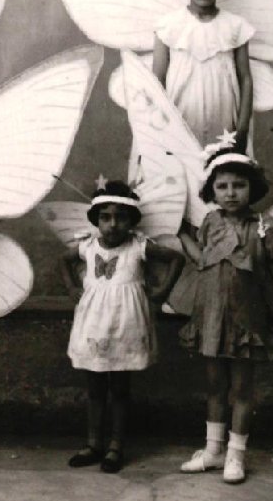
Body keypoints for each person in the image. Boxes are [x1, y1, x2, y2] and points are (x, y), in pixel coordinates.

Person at [174, 147, 273, 484]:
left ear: (253, 188)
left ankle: (236, 454)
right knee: (215, 385)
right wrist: (179, 234)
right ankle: (213, 450)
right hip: (211, 318)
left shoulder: (267, 226)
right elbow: (201, 259)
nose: (231, 193)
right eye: (222, 186)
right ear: (212, 190)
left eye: (239, 185)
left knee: (242, 388)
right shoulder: (210, 222)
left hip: (245, 319)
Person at [58, 179, 184, 473]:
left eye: (121, 217)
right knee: (94, 387)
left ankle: (116, 445)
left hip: (126, 325)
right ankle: (93, 444)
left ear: (131, 220)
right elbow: (63, 261)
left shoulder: (138, 246)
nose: (113, 224)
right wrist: (71, 287)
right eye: (105, 217)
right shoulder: (88, 246)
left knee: (119, 387)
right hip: (94, 325)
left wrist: (163, 291)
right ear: (96, 220)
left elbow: (176, 259)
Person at [152, 0, 255, 150]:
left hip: (224, 123)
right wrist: (160, 128)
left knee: (222, 166)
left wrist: (242, 129)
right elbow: (156, 81)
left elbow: (245, 79)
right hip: (178, 120)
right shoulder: (168, 26)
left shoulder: (235, 26)